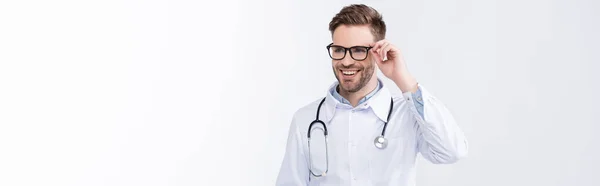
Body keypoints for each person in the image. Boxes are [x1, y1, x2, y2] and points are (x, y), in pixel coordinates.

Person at [276, 4, 468, 186]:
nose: (346, 61)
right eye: (339, 50)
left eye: (359, 50)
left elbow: (452, 151)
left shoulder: (407, 114)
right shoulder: (306, 119)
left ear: (378, 51)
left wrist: (404, 79)